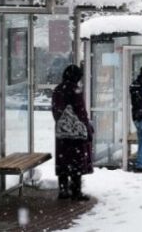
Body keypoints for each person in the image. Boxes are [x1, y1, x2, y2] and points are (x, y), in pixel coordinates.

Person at [52, 64, 93, 200]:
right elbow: (81, 112)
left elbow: (55, 110)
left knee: (63, 161)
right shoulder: (75, 90)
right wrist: (87, 127)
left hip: (62, 133)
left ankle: (63, 190)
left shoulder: (58, 90)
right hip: (76, 134)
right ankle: (76, 192)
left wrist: (62, 123)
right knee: (76, 161)